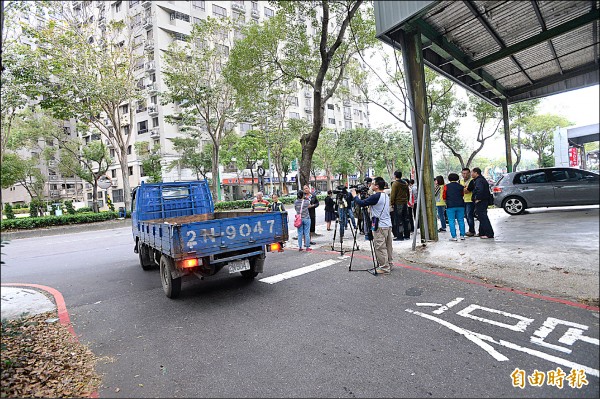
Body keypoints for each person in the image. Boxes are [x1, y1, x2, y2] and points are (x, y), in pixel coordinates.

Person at [350, 178, 393, 274]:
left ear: (377, 186)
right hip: (387, 224)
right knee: (388, 246)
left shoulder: (376, 196)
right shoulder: (385, 195)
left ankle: (384, 268)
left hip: (380, 225)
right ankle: (389, 264)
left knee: (380, 247)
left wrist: (354, 196)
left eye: (372, 184)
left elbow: (361, 203)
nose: (370, 185)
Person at [471, 167, 494, 239]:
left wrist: (478, 198)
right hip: (484, 200)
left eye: (472, 172)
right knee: (481, 217)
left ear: (476, 173)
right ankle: (482, 232)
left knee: (483, 217)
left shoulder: (479, 181)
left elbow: (479, 190)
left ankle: (489, 233)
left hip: (481, 201)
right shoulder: (480, 179)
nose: (471, 174)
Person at [443, 173, 466, 241]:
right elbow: (462, 194)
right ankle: (462, 235)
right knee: (461, 220)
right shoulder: (461, 186)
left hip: (450, 205)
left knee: (451, 221)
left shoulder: (446, 186)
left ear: (449, 179)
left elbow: (444, 195)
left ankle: (454, 236)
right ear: (457, 178)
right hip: (460, 205)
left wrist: (445, 201)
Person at [390, 171, 410, 241]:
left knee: (399, 220)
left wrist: (391, 203)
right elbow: (408, 193)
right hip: (405, 203)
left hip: (398, 203)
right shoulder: (406, 183)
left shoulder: (395, 184)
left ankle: (400, 236)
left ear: (395, 176)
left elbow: (393, 195)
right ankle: (407, 235)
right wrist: (407, 200)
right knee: (406, 219)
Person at [461, 168, 476, 237]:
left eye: (467, 173)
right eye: (463, 173)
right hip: (463, 200)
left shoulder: (472, 181)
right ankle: (470, 229)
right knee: (466, 216)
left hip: (470, 200)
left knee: (469, 215)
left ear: (470, 173)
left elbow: (467, 191)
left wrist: (462, 189)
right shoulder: (460, 181)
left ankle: (472, 231)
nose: (465, 175)